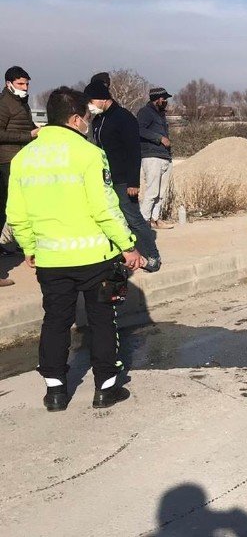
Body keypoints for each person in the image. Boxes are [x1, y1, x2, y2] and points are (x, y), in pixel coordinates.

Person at [6, 87, 144, 411]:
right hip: (94, 257)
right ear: (75, 119)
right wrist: (128, 246)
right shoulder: (89, 154)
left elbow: (15, 214)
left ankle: (55, 392)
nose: (86, 123)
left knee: (55, 320)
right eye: (84, 118)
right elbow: (105, 209)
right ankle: (105, 388)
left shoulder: (24, 158)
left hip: (50, 259)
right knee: (101, 320)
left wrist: (29, 247)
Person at [85, 80, 161, 272]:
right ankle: (125, 254)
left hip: (123, 179)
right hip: (106, 178)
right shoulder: (98, 120)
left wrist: (133, 181)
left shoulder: (123, 118)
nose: (90, 106)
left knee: (133, 218)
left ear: (103, 98)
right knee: (116, 219)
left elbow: (134, 151)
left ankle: (152, 256)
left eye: (92, 101)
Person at [0, 66, 39, 280]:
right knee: (11, 207)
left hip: (22, 160)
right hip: (7, 161)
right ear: (9, 84)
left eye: (27, 84)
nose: (25, 88)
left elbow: (27, 126)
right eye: (21, 84)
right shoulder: (4, 103)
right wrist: (28, 135)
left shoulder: (21, 103)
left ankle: (11, 245)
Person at [137, 87, 174, 229]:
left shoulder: (161, 115)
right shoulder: (145, 113)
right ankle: (144, 221)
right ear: (157, 99)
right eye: (164, 99)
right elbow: (139, 130)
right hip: (152, 156)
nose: (165, 101)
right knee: (152, 191)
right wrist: (159, 138)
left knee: (161, 193)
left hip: (165, 156)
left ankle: (155, 219)